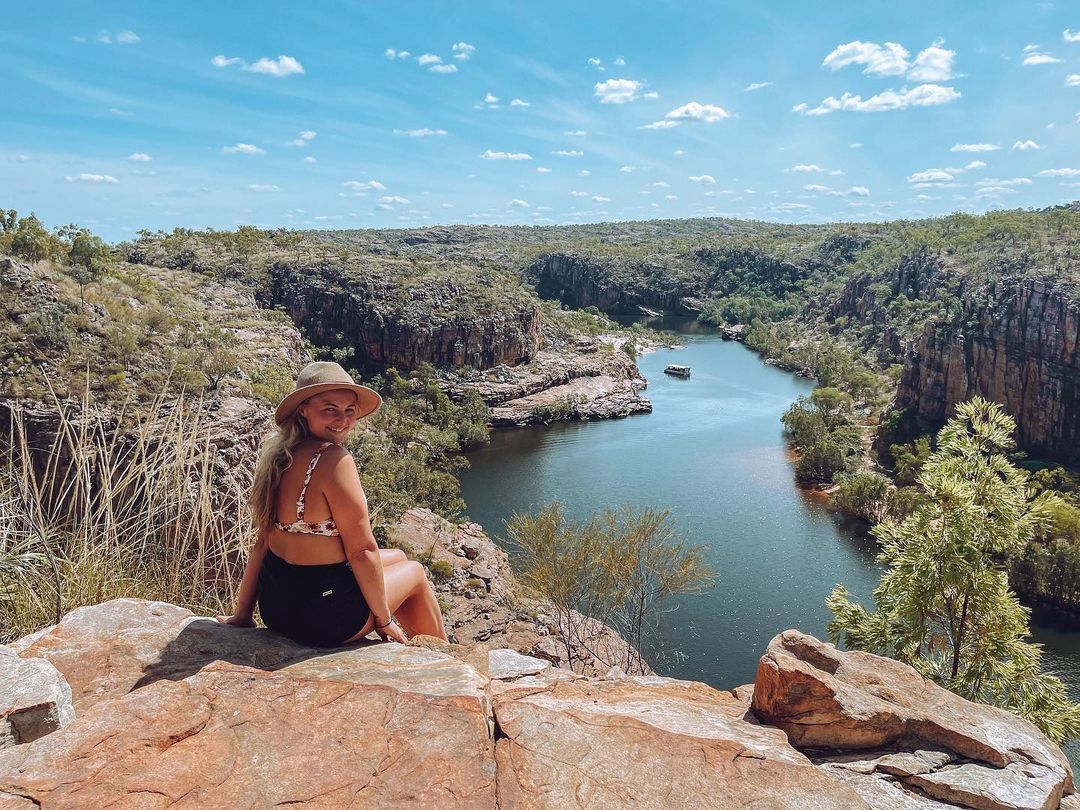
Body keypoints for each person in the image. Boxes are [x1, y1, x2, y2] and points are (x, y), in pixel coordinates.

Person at [217, 361, 448, 646]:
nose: (342, 420)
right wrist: (384, 620)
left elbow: (261, 543)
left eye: (349, 411)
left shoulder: (278, 458)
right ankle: (444, 658)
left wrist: (242, 615)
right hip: (325, 620)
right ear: (303, 408)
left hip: (277, 609)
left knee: (398, 555)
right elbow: (362, 551)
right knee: (414, 571)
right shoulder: (334, 460)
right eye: (330, 409)